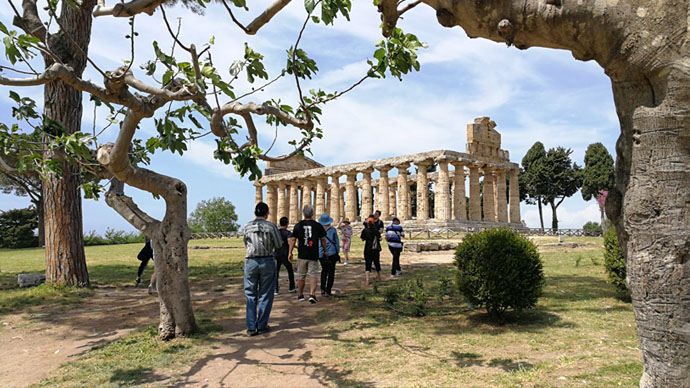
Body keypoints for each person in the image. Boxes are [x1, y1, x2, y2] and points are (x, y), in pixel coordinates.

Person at [242, 202, 283, 336]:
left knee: (250, 294)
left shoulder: (247, 227)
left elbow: (245, 243)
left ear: (255, 213)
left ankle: (251, 327)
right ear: (267, 214)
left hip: (251, 261)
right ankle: (262, 325)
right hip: (267, 261)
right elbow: (278, 244)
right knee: (266, 293)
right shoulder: (271, 227)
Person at [288, 204, 328, 304]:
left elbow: (293, 239)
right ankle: (312, 294)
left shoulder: (298, 225)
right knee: (313, 274)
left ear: (303, 213)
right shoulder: (318, 225)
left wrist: (290, 252)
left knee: (301, 276)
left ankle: (300, 295)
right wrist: (325, 250)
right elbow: (323, 239)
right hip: (313, 254)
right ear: (313, 213)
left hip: (302, 255)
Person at [318, 213, 340, 297]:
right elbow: (336, 243)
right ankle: (328, 290)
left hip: (321, 253)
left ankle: (322, 289)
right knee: (331, 272)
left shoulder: (318, 230)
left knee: (324, 271)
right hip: (332, 253)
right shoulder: (333, 230)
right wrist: (337, 252)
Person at [274, 216, 296, 295]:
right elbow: (290, 242)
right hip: (285, 254)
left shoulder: (276, 232)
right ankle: (292, 287)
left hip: (276, 254)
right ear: (287, 223)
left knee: (276, 272)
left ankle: (275, 289)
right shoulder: (288, 232)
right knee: (290, 271)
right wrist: (290, 252)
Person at [360, 215, 383, 285]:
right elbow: (380, 238)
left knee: (368, 264)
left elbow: (362, 239)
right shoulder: (376, 230)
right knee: (377, 263)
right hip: (375, 249)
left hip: (367, 249)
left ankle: (367, 280)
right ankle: (379, 277)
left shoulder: (365, 230)